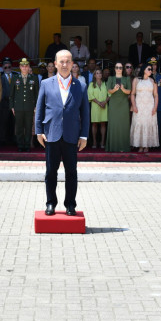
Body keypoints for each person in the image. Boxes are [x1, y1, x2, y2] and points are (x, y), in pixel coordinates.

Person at [35, 50, 90, 216]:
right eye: (61, 62)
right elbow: (40, 109)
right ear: (56, 63)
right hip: (51, 134)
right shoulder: (46, 83)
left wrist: (84, 135)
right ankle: (51, 203)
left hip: (72, 135)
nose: (65, 65)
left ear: (73, 63)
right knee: (51, 172)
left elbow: (85, 112)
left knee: (71, 172)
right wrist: (38, 131)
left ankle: (70, 204)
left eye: (68, 61)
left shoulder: (80, 85)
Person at [10, 58, 39, 152]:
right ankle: (20, 145)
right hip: (18, 106)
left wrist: (36, 106)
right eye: (22, 66)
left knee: (28, 127)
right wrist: (12, 107)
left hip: (30, 107)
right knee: (19, 127)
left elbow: (37, 94)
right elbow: (11, 94)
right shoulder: (15, 78)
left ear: (29, 67)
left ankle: (27, 145)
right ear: (19, 67)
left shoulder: (34, 78)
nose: (24, 68)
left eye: (26, 66)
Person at [130, 62, 160, 153]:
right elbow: (132, 94)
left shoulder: (153, 81)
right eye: (149, 69)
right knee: (139, 123)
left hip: (149, 106)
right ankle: (140, 145)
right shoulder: (136, 80)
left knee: (148, 124)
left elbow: (156, 95)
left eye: (151, 69)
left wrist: (155, 107)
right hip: (139, 105)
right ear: (144, 70)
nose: (151, 70)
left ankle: (146, 145)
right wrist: (134, 105)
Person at [105, 62, 132, 152]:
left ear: (122, 69)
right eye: (117, 67)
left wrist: (123, 89)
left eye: (120, 67)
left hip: (123, 104)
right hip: (113, 104)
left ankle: (124, 147)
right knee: (113, 125)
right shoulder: (110, 78)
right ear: (115, 69)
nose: (119, 69)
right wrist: (114, 89)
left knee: (124, 125)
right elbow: (108, 90)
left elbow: (129, 91)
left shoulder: (127, 78)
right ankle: (113, 147)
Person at [87, 68, 109, 149]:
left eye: (100, 73)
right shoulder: (91, 84)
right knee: (94, 124)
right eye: (97, 73)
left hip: (104, 105)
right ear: (94, 75)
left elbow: (109, 94)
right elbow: (90, 95)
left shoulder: (105, 84)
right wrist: (99, 103)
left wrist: (105, 102)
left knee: (103, 124)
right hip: (95, 106)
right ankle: (94, 142)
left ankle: (102, 142)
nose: (99, 74)